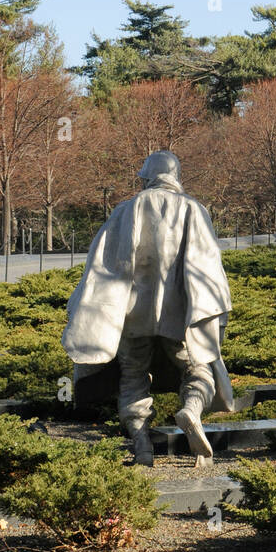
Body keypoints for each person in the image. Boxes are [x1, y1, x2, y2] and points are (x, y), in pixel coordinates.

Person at [63, 150, 233, 469]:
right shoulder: (194, 210)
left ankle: (142, 447)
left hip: (131, 315)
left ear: (146, 177)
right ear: (176, 176)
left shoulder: (124, 211)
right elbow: (208, 265)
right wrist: (214, 311)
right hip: (181, 315)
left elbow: (101, 264)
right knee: (198, 368)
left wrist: (84, 307)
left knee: (132, 376)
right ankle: (191, 412)